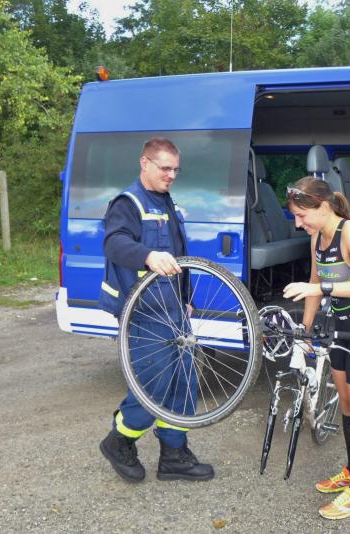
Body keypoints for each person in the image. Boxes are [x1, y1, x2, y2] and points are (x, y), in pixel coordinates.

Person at [98, 137, 214, 483]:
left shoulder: (166, 202)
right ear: (144, 163)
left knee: (183, 382)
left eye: (175, 170)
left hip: (173, 311)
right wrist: (147, 256)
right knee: (153, 384)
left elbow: (178, 258)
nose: (171, 175)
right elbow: (114, 243)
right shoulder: (128, 203)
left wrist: (186, 299)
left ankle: (174, 456)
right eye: (165, 168)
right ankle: (119, 442)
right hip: (145, 313)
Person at [283, 176, 350, 520]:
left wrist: (320, 290)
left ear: (324, 206)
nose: (298, 224)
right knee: (345, 404)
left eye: (302, 215)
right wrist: (305, 331)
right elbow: (313, 283)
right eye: (296, 216)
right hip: (342, 325)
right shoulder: (317, 236)